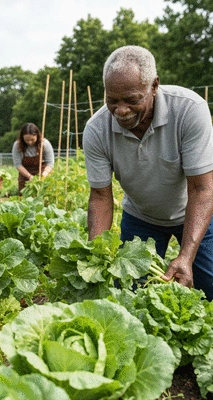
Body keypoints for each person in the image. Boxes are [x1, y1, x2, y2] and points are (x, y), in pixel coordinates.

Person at [82, 45, 213, 301]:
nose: (121, 110)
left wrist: (185, 256)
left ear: (154, 86)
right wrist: (95, 257)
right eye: (112, 100)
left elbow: (202, 188)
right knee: (131, 295)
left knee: (209, 285)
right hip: (141, 217)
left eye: (132, 100)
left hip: (193, 211)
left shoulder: (188, 110)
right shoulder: (97, 130)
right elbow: (99, 196)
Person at [12, 122, 54, 193]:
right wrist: (29, 176)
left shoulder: (44, 144)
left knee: (44, 195)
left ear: (37, 136)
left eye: (32, 139)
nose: (30, 142)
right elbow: (18, 164)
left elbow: (50, 163)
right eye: (27, 140)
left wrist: (43, 175)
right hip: (25, 174)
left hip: (42, 172)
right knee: (25, 197)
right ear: (22, 137)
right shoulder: (17, 145)